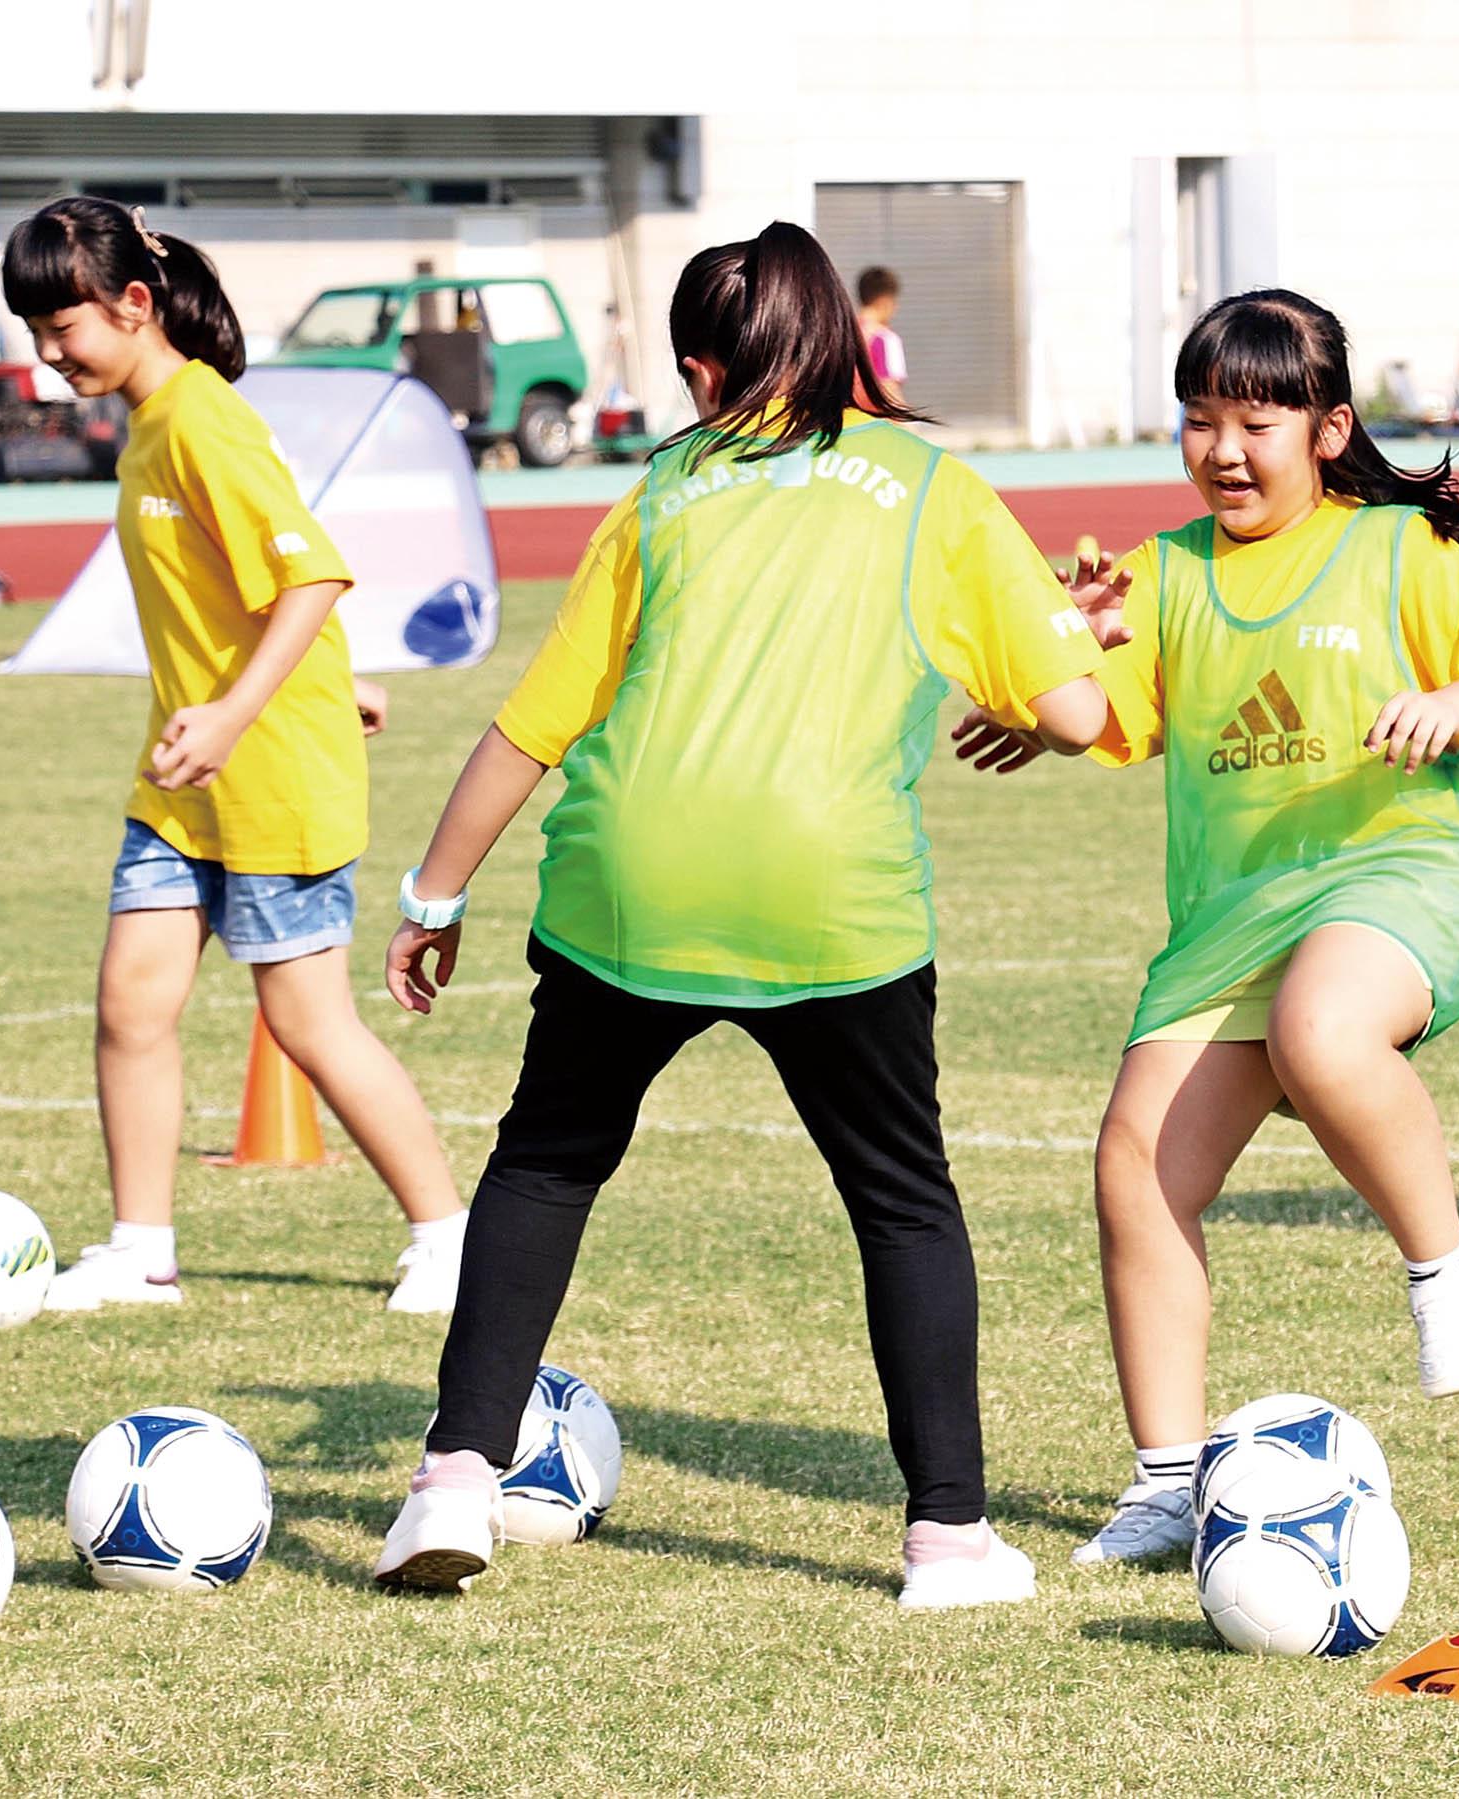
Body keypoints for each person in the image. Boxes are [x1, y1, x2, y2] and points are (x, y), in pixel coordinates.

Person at [371, 221, 1119, 1608]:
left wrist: (432, 892)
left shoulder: (662, 489)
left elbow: (534, 723)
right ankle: (948, 1537)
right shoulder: (929, 483)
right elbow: (1074, 711)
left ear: (703, 367)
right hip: (828, 897)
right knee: (902, 1202)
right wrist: (1054, 640)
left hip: (627, 880)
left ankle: (454, 1479)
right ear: (841, 332)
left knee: (541, 1166)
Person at [959, 289, 1459, 1567]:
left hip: (1398, 861)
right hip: (1231, 912)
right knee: (1135, 1164)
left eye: (1254, 420)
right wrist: (1055, 668)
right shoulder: (1164, 570)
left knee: (1324, 1033)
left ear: (1329, 428)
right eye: (1197, 421)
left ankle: (1444, 1267)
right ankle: (1168, 1482)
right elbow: (1092, 707)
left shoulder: (1394, 550)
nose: (1223, 449)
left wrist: (1456, 700)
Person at [0, 197, 468, 1316]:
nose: (49, 355)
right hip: (186, 785)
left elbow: (311, 572)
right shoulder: (152, 426)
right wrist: (317, 680)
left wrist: (244, 710)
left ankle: (450, 1236)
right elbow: (234, 589)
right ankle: (139, 1251)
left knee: (307, 1021)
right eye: (36, 333)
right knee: (131, 1004)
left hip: (265, 777)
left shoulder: (204, 423)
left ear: (135, 303)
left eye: (64, 327)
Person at [856, 266, 907, 405]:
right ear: (885, 301)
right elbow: (889, 389)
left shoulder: (842, 333)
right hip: (877, 422)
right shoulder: (884, 339)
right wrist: (906, 426)